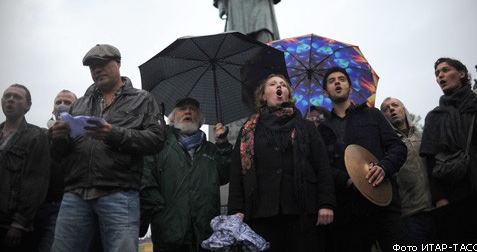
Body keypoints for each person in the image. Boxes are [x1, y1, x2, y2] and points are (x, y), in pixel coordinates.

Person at [50, 44, 166, 252]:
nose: (97, 69)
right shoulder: (79, 104)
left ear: (119, 64)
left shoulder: (143, 99)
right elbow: (60, 154)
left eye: (103, 64)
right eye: (93, 66)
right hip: (75, 194)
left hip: (119, 193)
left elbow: (157, 140)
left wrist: (113, 134)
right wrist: (59, 138)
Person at [228, 74, 335, 252]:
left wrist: (327, 203)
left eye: (283, 85)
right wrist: (236, 209)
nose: (279, 87)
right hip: (261, 212)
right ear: (263, 95)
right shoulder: (249, 129)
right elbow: (237, 171)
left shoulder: (306, 126)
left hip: (302, 212)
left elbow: (322, 166)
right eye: (273, 84)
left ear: (287, 94)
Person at [319, 66, 407, 252]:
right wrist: (347, 180)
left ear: (350, 88)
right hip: (348, 213)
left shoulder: (372, 114)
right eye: (332, 80)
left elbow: (397, 147)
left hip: (384, 203)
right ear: (326, 92)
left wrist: (384, 167)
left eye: (342, 79)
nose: (337, 82)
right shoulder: (321, 129)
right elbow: (322, 166)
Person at [140, 97, 233, 251]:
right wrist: (162, 217)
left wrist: (222, 144)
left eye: (193, 109)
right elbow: (147, 185)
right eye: (182, 109)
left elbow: (225, 175)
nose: (188, 112)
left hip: (206, 237)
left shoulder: (211, 150)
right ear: (172, 117)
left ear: (201, 118)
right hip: (169, 237)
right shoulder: (159, 147)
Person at [420, 57, 477, 243]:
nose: (440, 76)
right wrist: (440, 199)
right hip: (455, 195)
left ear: (461, 73)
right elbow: (430, 161)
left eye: (445, 70)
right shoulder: (434, 117)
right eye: (437, 74)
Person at [0, 84, 51, 252]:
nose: (10, 100)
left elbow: (36, 183)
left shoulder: (36, 137)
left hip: (10, 224)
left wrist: (19, 223)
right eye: (7, 96)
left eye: (17, 97)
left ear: (28, 105)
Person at [380, 97, 433, 246]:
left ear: (404, 109)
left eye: (395, 105)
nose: (391, 109)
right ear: (383, 117)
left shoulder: (423, 136)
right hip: (409, 215)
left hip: (435, 208)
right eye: (386, 109)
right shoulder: (386, 147)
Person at [31, 90, 77, 252]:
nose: (62, 105)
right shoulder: (40, 137)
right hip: (36, 208)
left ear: (77, 108)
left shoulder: (82, 138)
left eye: (67, 102)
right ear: (53, 109)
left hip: (65, 207)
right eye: (58, 102)